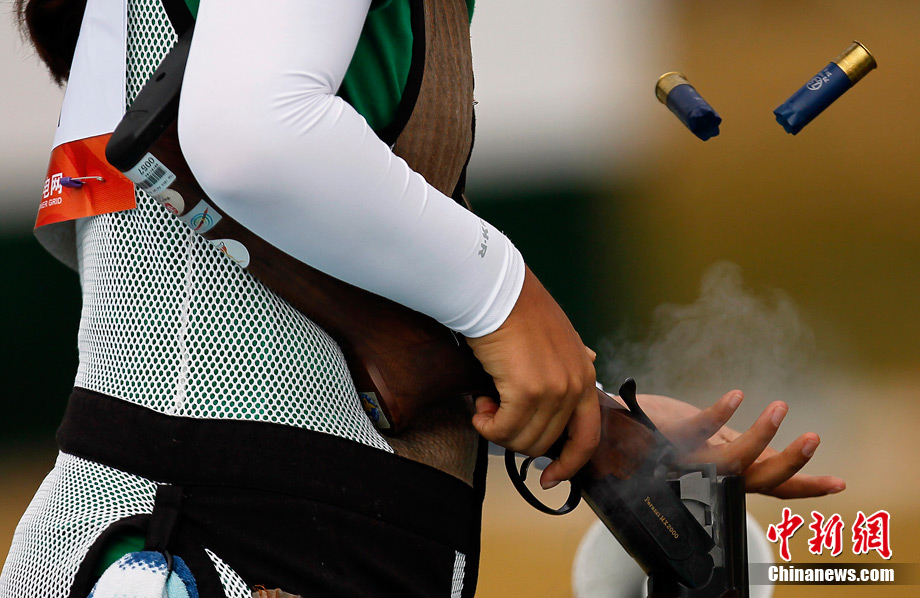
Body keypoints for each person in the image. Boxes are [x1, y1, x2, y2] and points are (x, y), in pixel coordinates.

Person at [2, 1, 844, 597]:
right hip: (218, 548)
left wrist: (578, 412)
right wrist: (510, 299)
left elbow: (249, 302)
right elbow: (250, 136)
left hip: (214, 542)